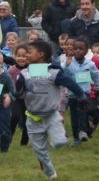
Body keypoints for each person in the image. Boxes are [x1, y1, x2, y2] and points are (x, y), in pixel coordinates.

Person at [22, 39, 86, 179]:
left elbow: (70, 83)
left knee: (59, 142)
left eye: (29, 52)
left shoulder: (53, 72)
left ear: (40, 54)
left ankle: (55, 141)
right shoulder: (24, 72)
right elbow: (15, 89)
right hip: (32, 118)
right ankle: (50, 173)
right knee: (40, 151)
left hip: (51, 116)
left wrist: (81, 95)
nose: (26, 55)